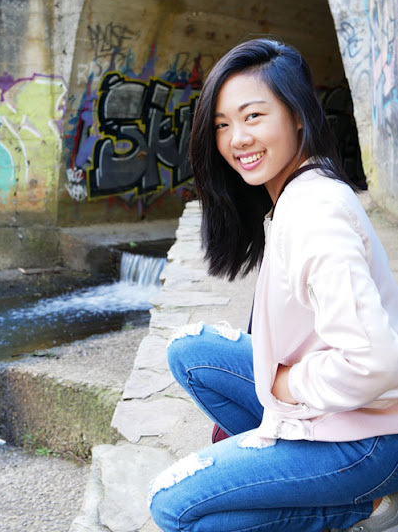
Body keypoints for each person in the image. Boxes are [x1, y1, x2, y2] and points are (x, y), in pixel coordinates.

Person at [148, 38, 398, 532]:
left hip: (368, 439)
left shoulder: (314, 212)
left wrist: (289, 384)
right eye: (222, 124)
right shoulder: (294, 195)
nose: (236, 138)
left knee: (172, 506)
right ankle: (288, 468)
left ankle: (360, 508)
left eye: (254, 116)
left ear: (298, 116)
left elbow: (377, 361)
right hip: (341, 415)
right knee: (190, 351)